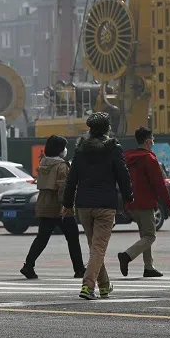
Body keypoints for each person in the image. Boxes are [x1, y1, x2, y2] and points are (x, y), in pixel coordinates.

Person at [62, 112, 132, 300]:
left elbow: (72, 179)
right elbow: (123, 176)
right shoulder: (113, 148)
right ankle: (87, 286)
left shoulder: (80, 149)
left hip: (83, 205)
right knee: (98, 248)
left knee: (95, 247)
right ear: (107, 128)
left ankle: (104, 286)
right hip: (105, 204)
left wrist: (67, 203)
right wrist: (128, 199)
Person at [21, 135, 85, 280]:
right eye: (64, 147)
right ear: (60, 149)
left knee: (42, 238)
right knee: (73, 238)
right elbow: (63, 188)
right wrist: (67, 205)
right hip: (59, 207)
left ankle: (28, 265)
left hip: (44, 205)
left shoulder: (43, 163)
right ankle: (79, 269)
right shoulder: (61, 166)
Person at [117, 127, 170, 278]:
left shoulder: (127, 157)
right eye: (153, 140)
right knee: (150, 236)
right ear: (148, 141)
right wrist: (169, 204)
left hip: (131, 203)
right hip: (146, 202)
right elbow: (159, 184)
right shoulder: (149, 158)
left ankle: (148, 267)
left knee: (144, 234)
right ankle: (127, 255)